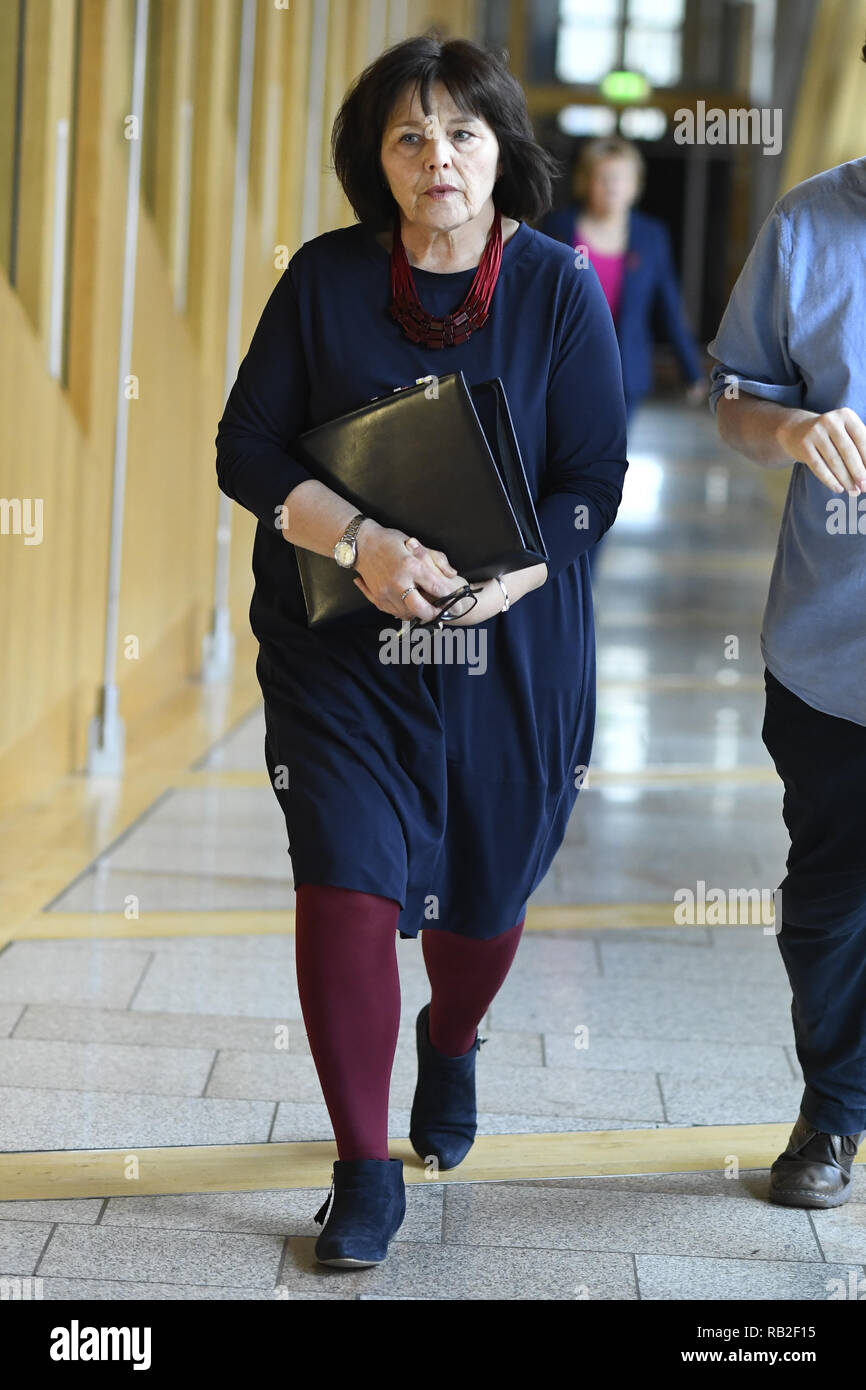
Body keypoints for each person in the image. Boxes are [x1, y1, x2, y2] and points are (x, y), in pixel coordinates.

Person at [215, 34, 628, 1267]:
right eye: (407, 135)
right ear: (375, 160)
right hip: (338, 643)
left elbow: (590, 480)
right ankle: (362, 1167)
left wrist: (510, 578)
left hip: (507, 656)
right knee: (344, 873)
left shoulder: (557, 288)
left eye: (460, 132)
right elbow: (246, 450)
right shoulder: (326, 280)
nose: (434, 156)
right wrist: (360, 544)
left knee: (486, 898)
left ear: (501, 150)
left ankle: (451, 1045)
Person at [707, 34, 866, 1210]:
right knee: (829, 904)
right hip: (830, 652)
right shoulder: (809, 225)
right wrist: (790, 434)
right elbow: (735, 407)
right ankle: (834, 1110)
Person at [539, 135, 705, 573]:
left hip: (622, 380)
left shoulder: (650, 236)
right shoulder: (559, 228)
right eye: (602, 178)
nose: (611, 187)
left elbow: (668, 304)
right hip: (560, 374)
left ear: (635, 185)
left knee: (598, 476)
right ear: (585, 182)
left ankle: (585, 569)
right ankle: (548, 562)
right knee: (553, 469)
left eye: (620, 178)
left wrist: (693, 371)